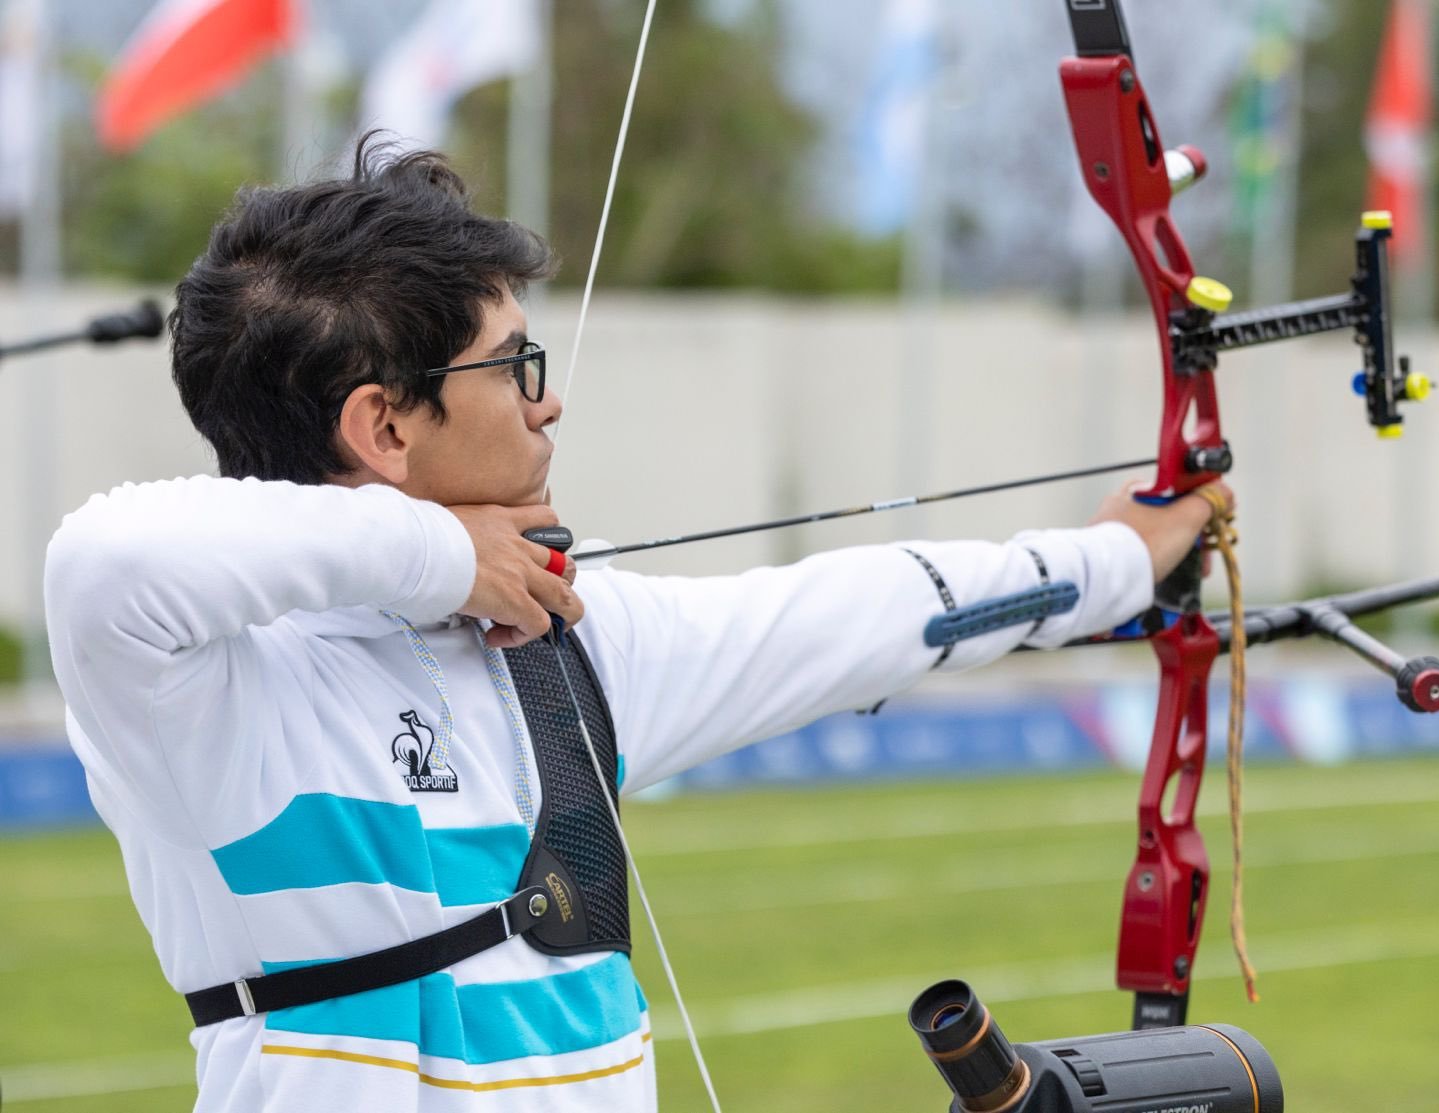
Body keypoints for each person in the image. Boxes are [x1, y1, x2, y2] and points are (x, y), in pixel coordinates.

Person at [44, 138, 1229, 1113]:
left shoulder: (564, 637)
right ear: (385, 427)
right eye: (514, 365)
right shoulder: (212, 689)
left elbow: (868, 611)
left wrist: (1118, 560)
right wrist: (446, 557)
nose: (548, 399)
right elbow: (111, 559)